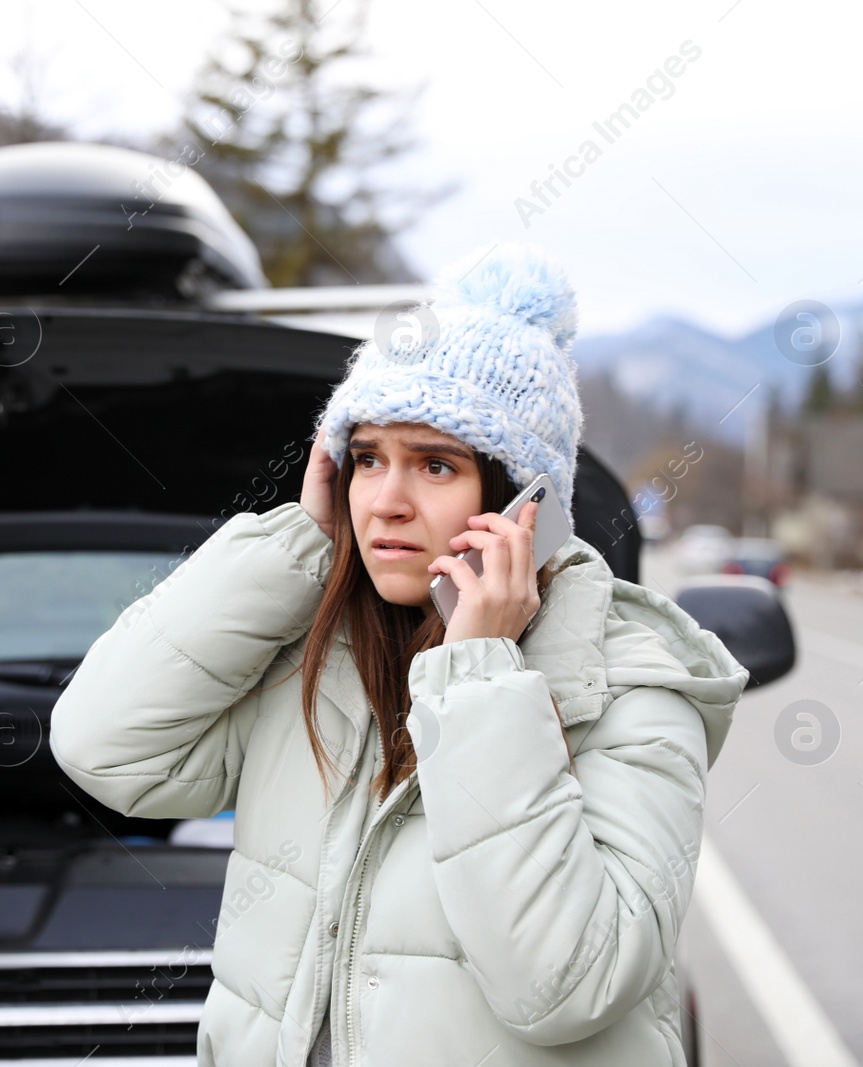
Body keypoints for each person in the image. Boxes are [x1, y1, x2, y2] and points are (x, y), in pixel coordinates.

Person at [51, 244, 749, 1066]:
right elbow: (103, 747)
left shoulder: (634, 693)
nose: (386, 500)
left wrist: (480, 677)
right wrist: (297, 544)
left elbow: (566, 984)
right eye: (369, 456)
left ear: (527, 506)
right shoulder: (311, 659)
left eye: (437, 464)